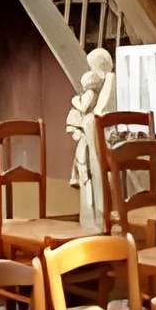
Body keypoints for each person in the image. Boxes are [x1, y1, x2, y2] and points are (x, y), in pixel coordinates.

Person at [66, 47, 116, 229]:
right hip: (92, 133)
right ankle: (93, 219)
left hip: (99, 134)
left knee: (90, 162)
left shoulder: (105, 82)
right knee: (84, 157)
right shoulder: (101, 83)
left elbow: (95, 111)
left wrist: (75, 103)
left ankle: (99, 220)